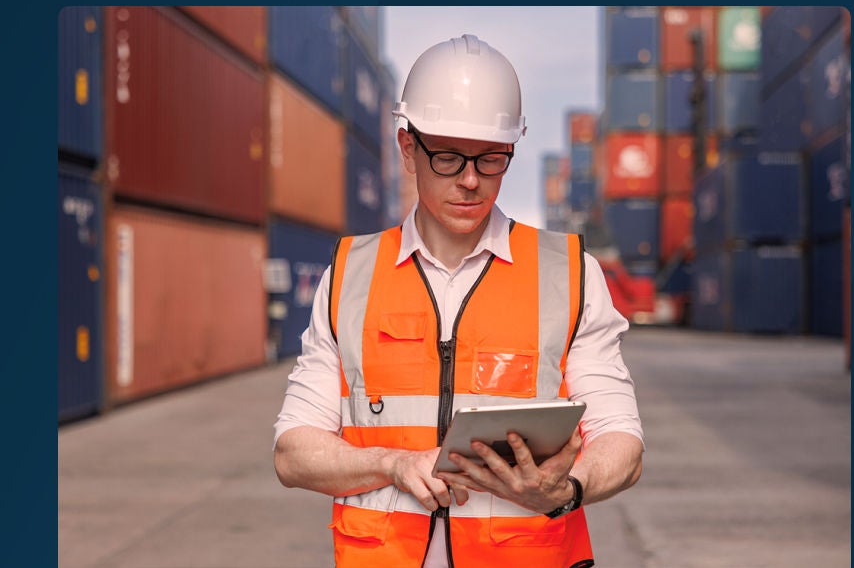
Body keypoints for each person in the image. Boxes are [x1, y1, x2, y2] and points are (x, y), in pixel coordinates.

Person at [274, 34, 643, 568]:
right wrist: (394, 464)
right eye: (447, 158)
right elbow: (293, 452)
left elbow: (622, 442)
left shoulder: (569, 272)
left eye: (491, 159)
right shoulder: (351, 274)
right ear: (408, 148)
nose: (470, 181)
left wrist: (566, 490)